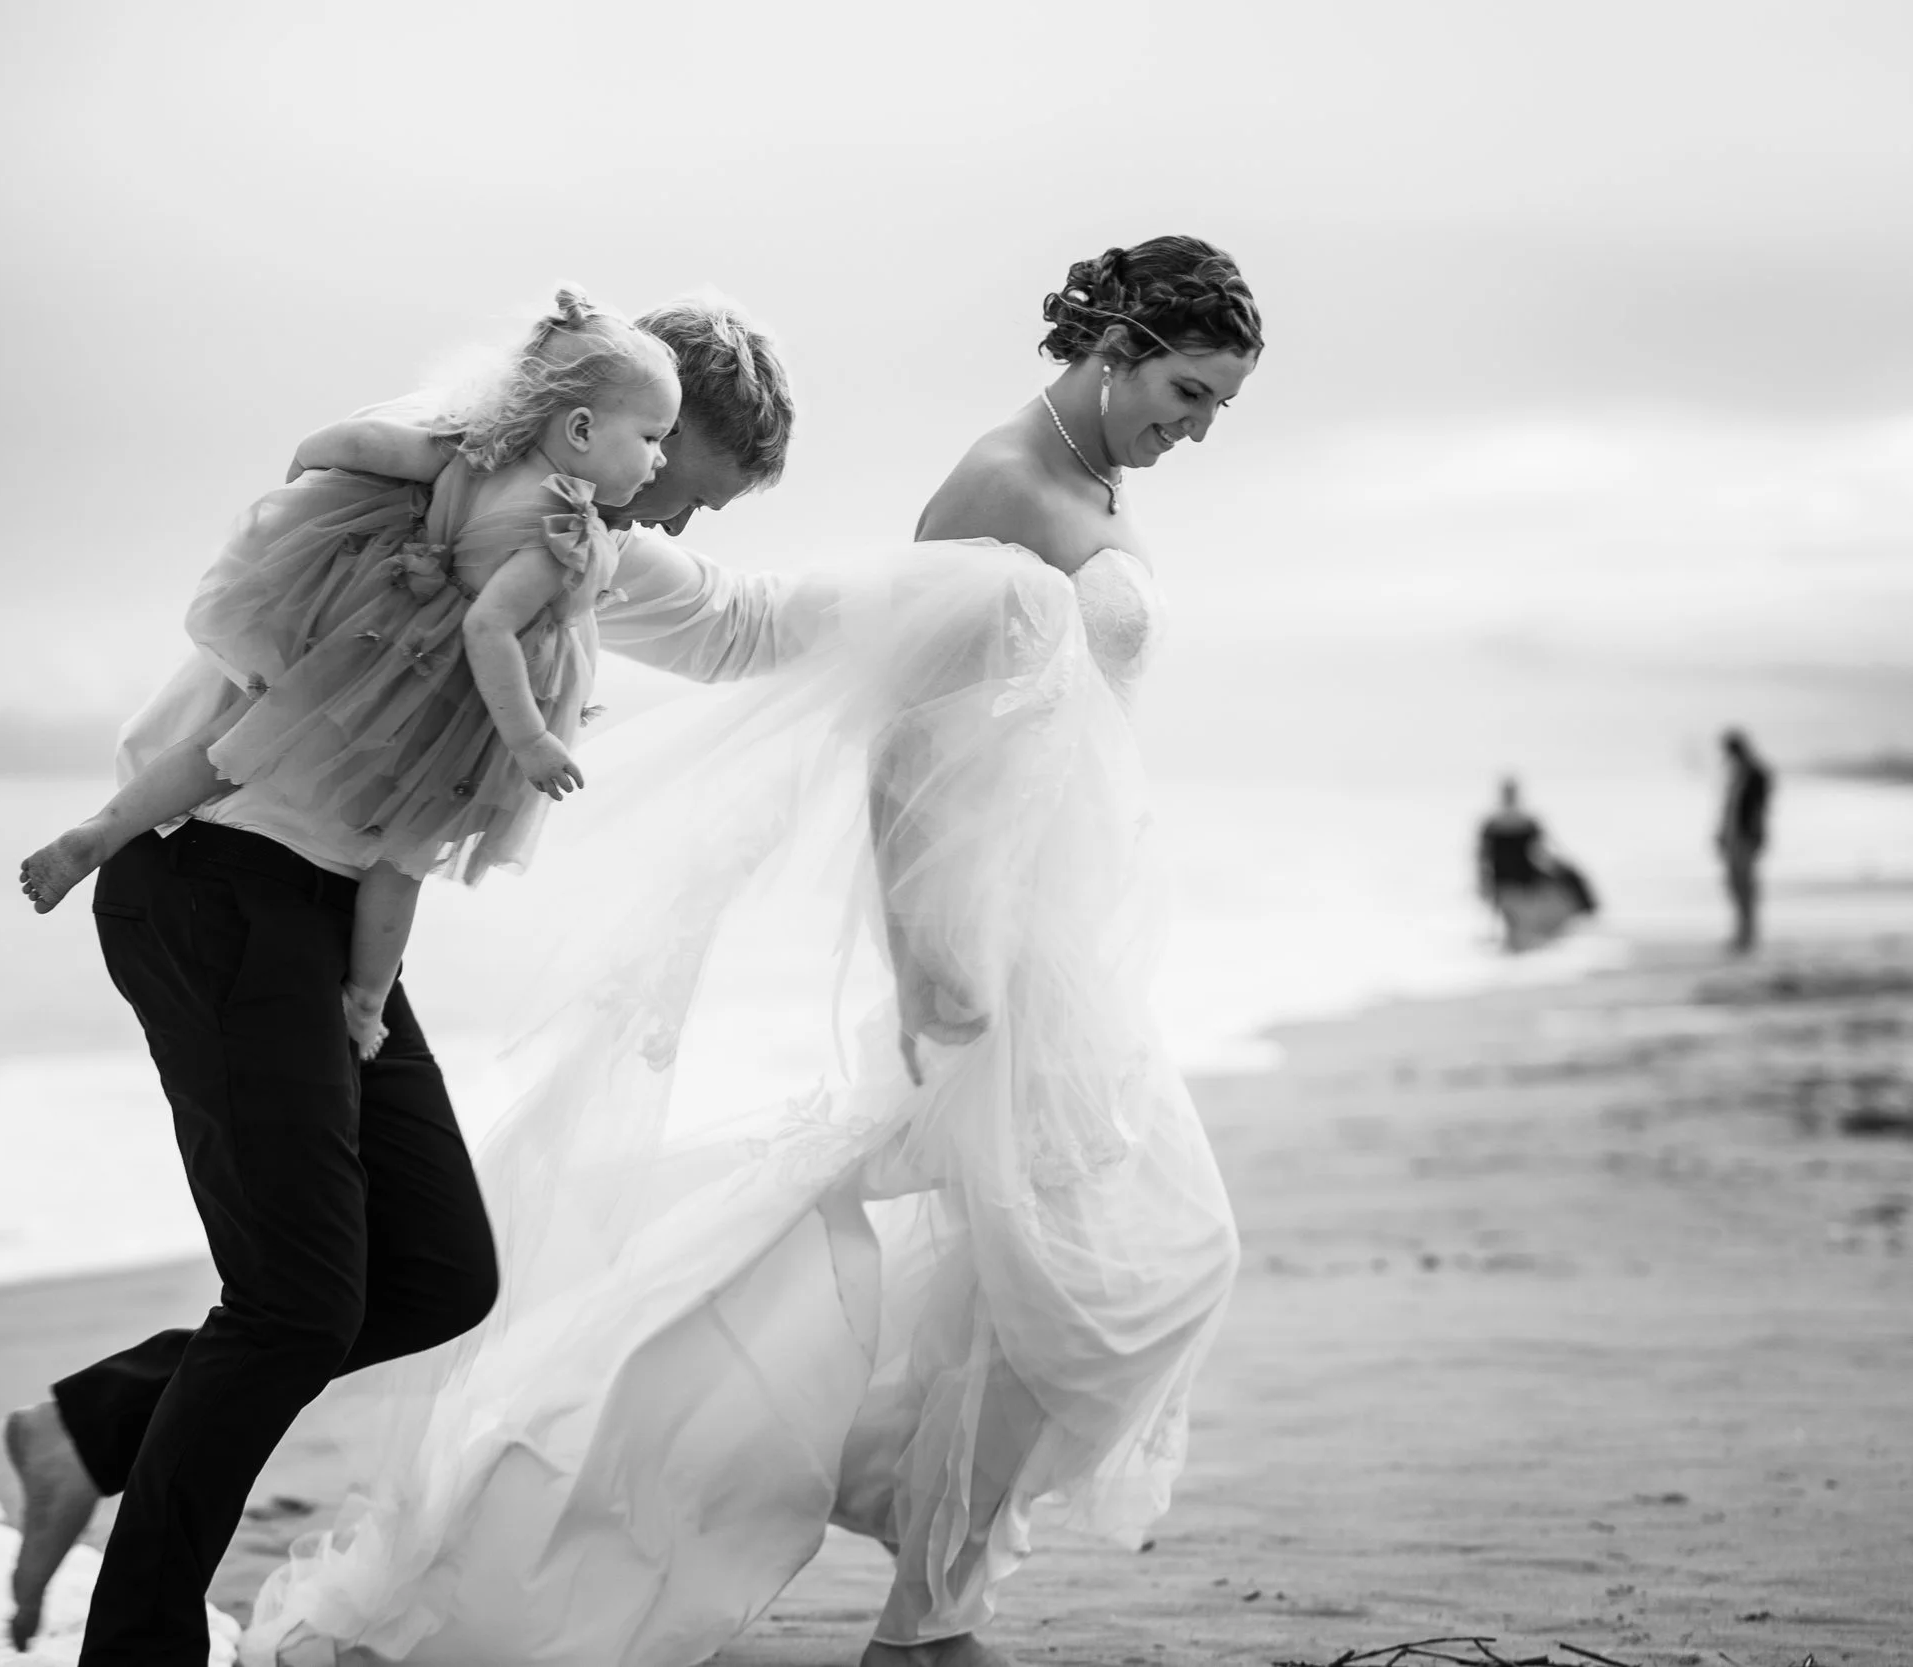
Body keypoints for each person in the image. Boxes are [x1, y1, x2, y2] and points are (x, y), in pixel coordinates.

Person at [236, 236, 1258, 1667]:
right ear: (1113, 350)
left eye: (1219, 406)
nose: (1196, 427)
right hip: (989, 937)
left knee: (1043, 1264)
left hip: (1060, 922)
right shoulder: (996, 488)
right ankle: (884, 1583)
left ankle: (932, 1599)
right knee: (1127, 1258)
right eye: (1188, 390)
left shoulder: (1094, 482)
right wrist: (927, 955)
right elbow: (908, 731)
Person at [0, 293, 803, 1664]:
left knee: (431, 1269)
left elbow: (724, 627)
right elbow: (719, 619)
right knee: (298, 1298)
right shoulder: (459, 469)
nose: (681, 525)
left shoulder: (584, 543)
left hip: (334, 901)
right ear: (625, 437)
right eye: (694, 489)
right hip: (210, 875)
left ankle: (95, 1428)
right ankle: (136, 1647)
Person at [16, 289, 677, 1056]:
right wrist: (529, 738)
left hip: (366, 645)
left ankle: (101, 829)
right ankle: (365, 1006)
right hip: (443, 704)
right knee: (399, 858)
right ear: (584, 428)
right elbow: (489, 627)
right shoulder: (561, 528)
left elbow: (366, 443)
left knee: (229, 749)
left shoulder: (472, 451)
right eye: (654, 436)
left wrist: (308, 463)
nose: (659, 458)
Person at [1475, 776, 1595, 953]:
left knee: (1518, 923)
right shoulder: (1498, 824)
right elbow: (1483, 858)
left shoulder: (1515, 822)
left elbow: (1542, 851)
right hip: (1508, 881)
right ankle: (1515, 954)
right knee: (1514, 921)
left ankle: (1516, 955)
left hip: (1518, 880)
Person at [1717, 728, 1774, 953]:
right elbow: (1728, 810)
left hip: (1746, 837)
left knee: (1745, 886)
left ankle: (1747, 936)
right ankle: (1742, 933)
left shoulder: (1756, 773)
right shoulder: (1737, 773)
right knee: (1735, 885)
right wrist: (1721, 834)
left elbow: (1760, 809)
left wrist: (1757, 835)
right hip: (1733, 837)